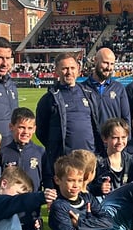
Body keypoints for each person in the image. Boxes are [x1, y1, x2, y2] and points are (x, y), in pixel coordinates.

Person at [35, 52, 100, 184]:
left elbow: (96, 124)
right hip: (64, 160)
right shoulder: (49, 99)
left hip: (88, 158)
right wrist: (56, 147)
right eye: (64, 68)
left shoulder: (89, 94)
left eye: (72, 68)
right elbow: (41, 131)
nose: (69, 72)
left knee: (88, 199)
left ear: (78, 70)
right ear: (56, 71)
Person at [82, 47, 130, 128]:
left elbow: (126, 119)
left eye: (112, 64)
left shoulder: (119, 89)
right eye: (105, 63)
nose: (109, 67)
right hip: (91, 139)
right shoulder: (82, 89)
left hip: (113, 139)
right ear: (95, 60)